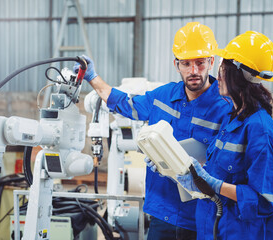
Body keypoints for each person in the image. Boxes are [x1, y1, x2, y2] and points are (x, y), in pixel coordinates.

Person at [74, 22, 231, 239]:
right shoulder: (163, 97)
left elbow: (229, 165)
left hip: (200, 218)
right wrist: (92, 77)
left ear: (211, 62)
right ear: (177, 65)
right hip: (161, 213)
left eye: (200, 63)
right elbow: (124, 104)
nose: (193, 71)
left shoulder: (225, 109)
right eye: (186, 63)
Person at [177, 31, 273, 240]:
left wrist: (214, 184)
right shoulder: (233, 119)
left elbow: (266, 200)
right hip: (214, 229)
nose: (218, 75)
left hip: (240, 233)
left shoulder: (260, 129)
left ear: (240, 75)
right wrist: (182, 169)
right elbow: (224, 171)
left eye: (223, 68)